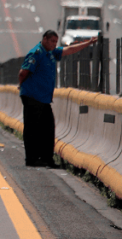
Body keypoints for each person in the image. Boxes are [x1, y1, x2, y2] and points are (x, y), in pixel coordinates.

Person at [19, 29, 98, 167]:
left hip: (43, 98)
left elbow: (69, 50)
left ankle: (47, 159)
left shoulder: (51, 53)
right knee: (32, 129)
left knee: (48, 128)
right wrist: (22, 87)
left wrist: (88, 43)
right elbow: (23, 72)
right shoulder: (36, 53)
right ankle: (31, 159)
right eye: (52, 41)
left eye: (56, 42)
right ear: (44, 39)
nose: (54, 44)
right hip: (32, 96)